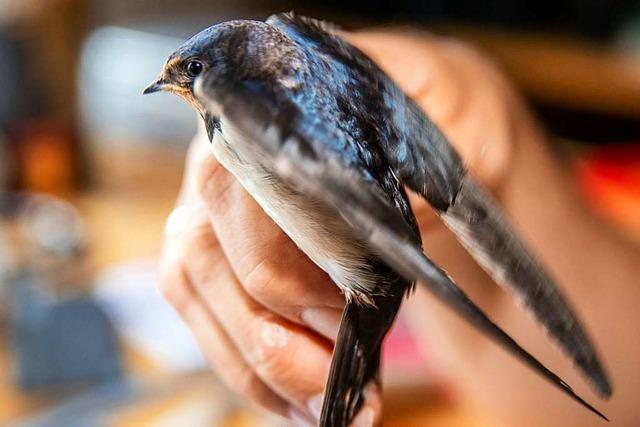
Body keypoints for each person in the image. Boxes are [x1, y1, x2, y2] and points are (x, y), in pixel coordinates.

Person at [157, 29, 640, 427]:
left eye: (192, 73)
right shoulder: (284, 67)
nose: (185, 86)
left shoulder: (260, 91)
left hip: (373, 266)